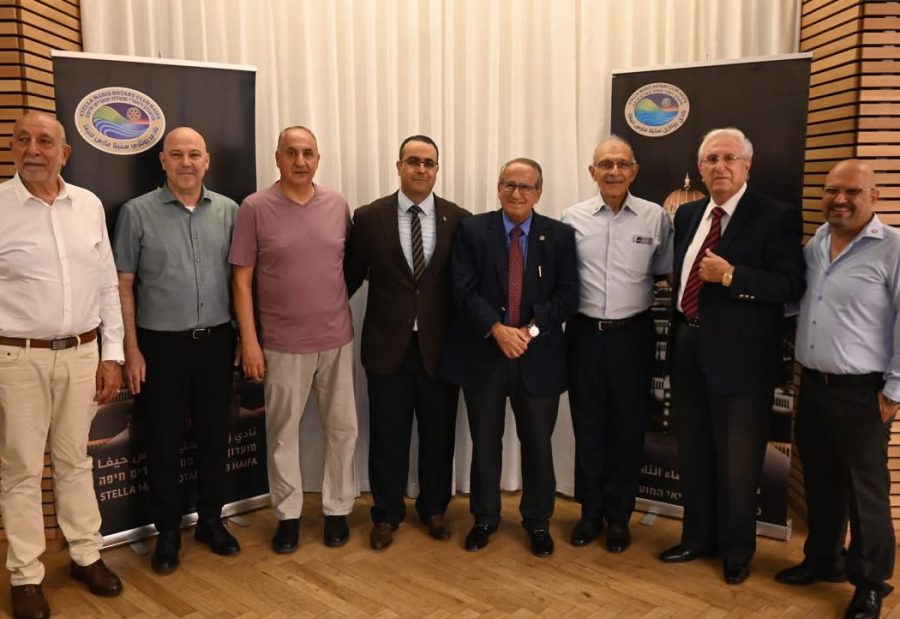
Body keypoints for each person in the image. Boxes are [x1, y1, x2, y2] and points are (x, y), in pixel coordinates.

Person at [658, 127, 805, 584]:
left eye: (729, 158)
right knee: (693, 452)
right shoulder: (688, 215)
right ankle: (696, 537)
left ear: (747, 166)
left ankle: (737, 551)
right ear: (700, 169)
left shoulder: (775, 215)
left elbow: (791, 285)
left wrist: (732, 276)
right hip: (688, 345)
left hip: (742, 358)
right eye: (711, 159)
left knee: (739, 463)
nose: (720, 166)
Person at [0, 112, 125, 619]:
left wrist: (112, 354)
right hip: (17, 357)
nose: (33, 149)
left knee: (75, 461)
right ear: (12, 148)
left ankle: (85, 555)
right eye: (22, 140)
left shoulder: (88, 205)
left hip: (81, 354)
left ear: (64, 153)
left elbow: (107, 285)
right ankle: (26, 576)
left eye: (45, 141)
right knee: (22, 470)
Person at [114, 127, 241, 574]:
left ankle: (212, 522)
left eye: (194, 154)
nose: (186, 162)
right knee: (163, 444)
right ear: (163, 161)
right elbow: (123, 285)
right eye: (177, 154)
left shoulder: (229, 211)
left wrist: (243, 336)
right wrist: (131, 348)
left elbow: (240, 281)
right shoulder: (136, 213)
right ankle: (167, 532)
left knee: (215, 438)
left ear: (207, 161)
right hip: (160, 347)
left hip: (217, 342)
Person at [775, 160, 899, 619]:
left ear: (874, 197)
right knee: (822, 480)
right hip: (814, 385)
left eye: (852, 191)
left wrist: (895, 390)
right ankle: (824, 560)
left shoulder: (893, 248)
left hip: (864, 393)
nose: (839, 199)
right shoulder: (817, 243)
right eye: (831, 191)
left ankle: (870, 583)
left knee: (867, 492)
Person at [229, 126, 358, 553]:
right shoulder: (255, 208)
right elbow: (241, 280)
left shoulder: (337, 205)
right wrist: (250, 340)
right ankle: (287, 515)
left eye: (308, 153)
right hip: (281, 343)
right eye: (291, 152)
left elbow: (347, 267)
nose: (300, 161)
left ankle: (338, 509)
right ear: (278, 158)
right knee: (282, 434)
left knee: (343, 429)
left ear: (318, 159)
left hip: (336, 339)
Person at [442, 158, 579, 557]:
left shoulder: (559, 235)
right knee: (485, 442)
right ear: (498, 187)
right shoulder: (472, 230)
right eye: (509, 184)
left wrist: (528, 331)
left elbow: (569, 296)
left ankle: (537, 522)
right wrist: (497, 329)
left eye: (525, 186)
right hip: (484, 355)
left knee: (537, 444)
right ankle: (485, 518)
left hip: (538, 356)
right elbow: (462, 288)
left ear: (539, 192)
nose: (516, 193)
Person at [345, 135, 470, 550]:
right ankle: (386, 513)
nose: (421, 169)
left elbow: (463, 287)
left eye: (429, 163)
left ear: (437, 170)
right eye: (413, 161)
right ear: (398, 166)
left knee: (439, 434)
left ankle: (434, 508)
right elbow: (347, 280)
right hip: (387, 349)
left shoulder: (459, 219)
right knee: (388, 436)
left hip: (440, 349)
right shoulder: (369, 218)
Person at [561, 136, 672, 553]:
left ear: (634, 170)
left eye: (622, 164)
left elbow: (665, 273)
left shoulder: (655, 217)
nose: (614, 171)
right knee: (588, 427)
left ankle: (619, 518)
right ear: (592, 172)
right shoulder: (571, 218)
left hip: (633, 336)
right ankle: (590, 512)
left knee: (628, 430)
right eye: (605, 164)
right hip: (585, 335)